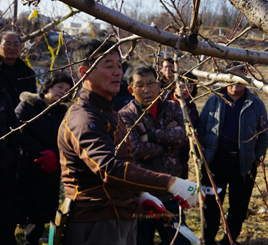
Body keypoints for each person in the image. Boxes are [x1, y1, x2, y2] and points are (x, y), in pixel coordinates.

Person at [57, 40, 199, 245]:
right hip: (97, 221)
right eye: (108, 65)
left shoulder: (109, 113)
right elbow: (109, 169)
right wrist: (170, 182)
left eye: (118, 65)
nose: (117, 72)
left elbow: (127, 161)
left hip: (122, 214)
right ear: (84, 72)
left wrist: (140, 194)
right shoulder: (84, 118)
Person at [198, 62, 268, 245]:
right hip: (215, 162)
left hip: (243, 164)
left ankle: (229, 241)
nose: (235, 83)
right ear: (224, 78)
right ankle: (209, 240)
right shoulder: (214, 99)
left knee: (238, 207)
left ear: (246, 79)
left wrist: (256, 159)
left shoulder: (255, 103)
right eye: (230, 77)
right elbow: (201, 129)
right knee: (212, 206)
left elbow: (264, 134)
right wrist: (203, 157)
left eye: (239, 78)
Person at [118, 65, 191, 245]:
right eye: (140, 85)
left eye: (151, 83)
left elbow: (185, 136)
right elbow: (135, 149)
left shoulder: (174, 107)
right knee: (141, 240)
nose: (146, 89)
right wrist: (168, 144)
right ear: (131, 90)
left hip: (171, 188)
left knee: (179, 240)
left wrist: (152, 136)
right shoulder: (125, 115)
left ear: (159, 85)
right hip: (140, 194)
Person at [13, 72, 73, 245]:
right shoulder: (27, 105)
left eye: (67, 90)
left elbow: (68, 140)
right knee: (16, 208)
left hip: (51, 170)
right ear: (48, 86)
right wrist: (40, 153)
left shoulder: (65, 114)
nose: (63, 91)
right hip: (24, 167)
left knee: (40, 213)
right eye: (60, 87)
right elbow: (18, 132)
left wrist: (54, 154)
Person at [0, 88, 19, 245]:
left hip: (4, 171)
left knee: (5, 222)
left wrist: (11, 159)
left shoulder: (3, 94)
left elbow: (13, 129)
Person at [174, 71, 199, 179]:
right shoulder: (162, 101)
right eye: (182, 85)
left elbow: (187, 130)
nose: (186, 89)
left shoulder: (191, 109)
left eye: (190, 87)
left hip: (180, 158)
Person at [0, 31, 37, 105]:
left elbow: (33, 102)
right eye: (8, 44)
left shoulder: (28, 73)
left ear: (20, 47)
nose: (12, 48)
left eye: (16, 45)